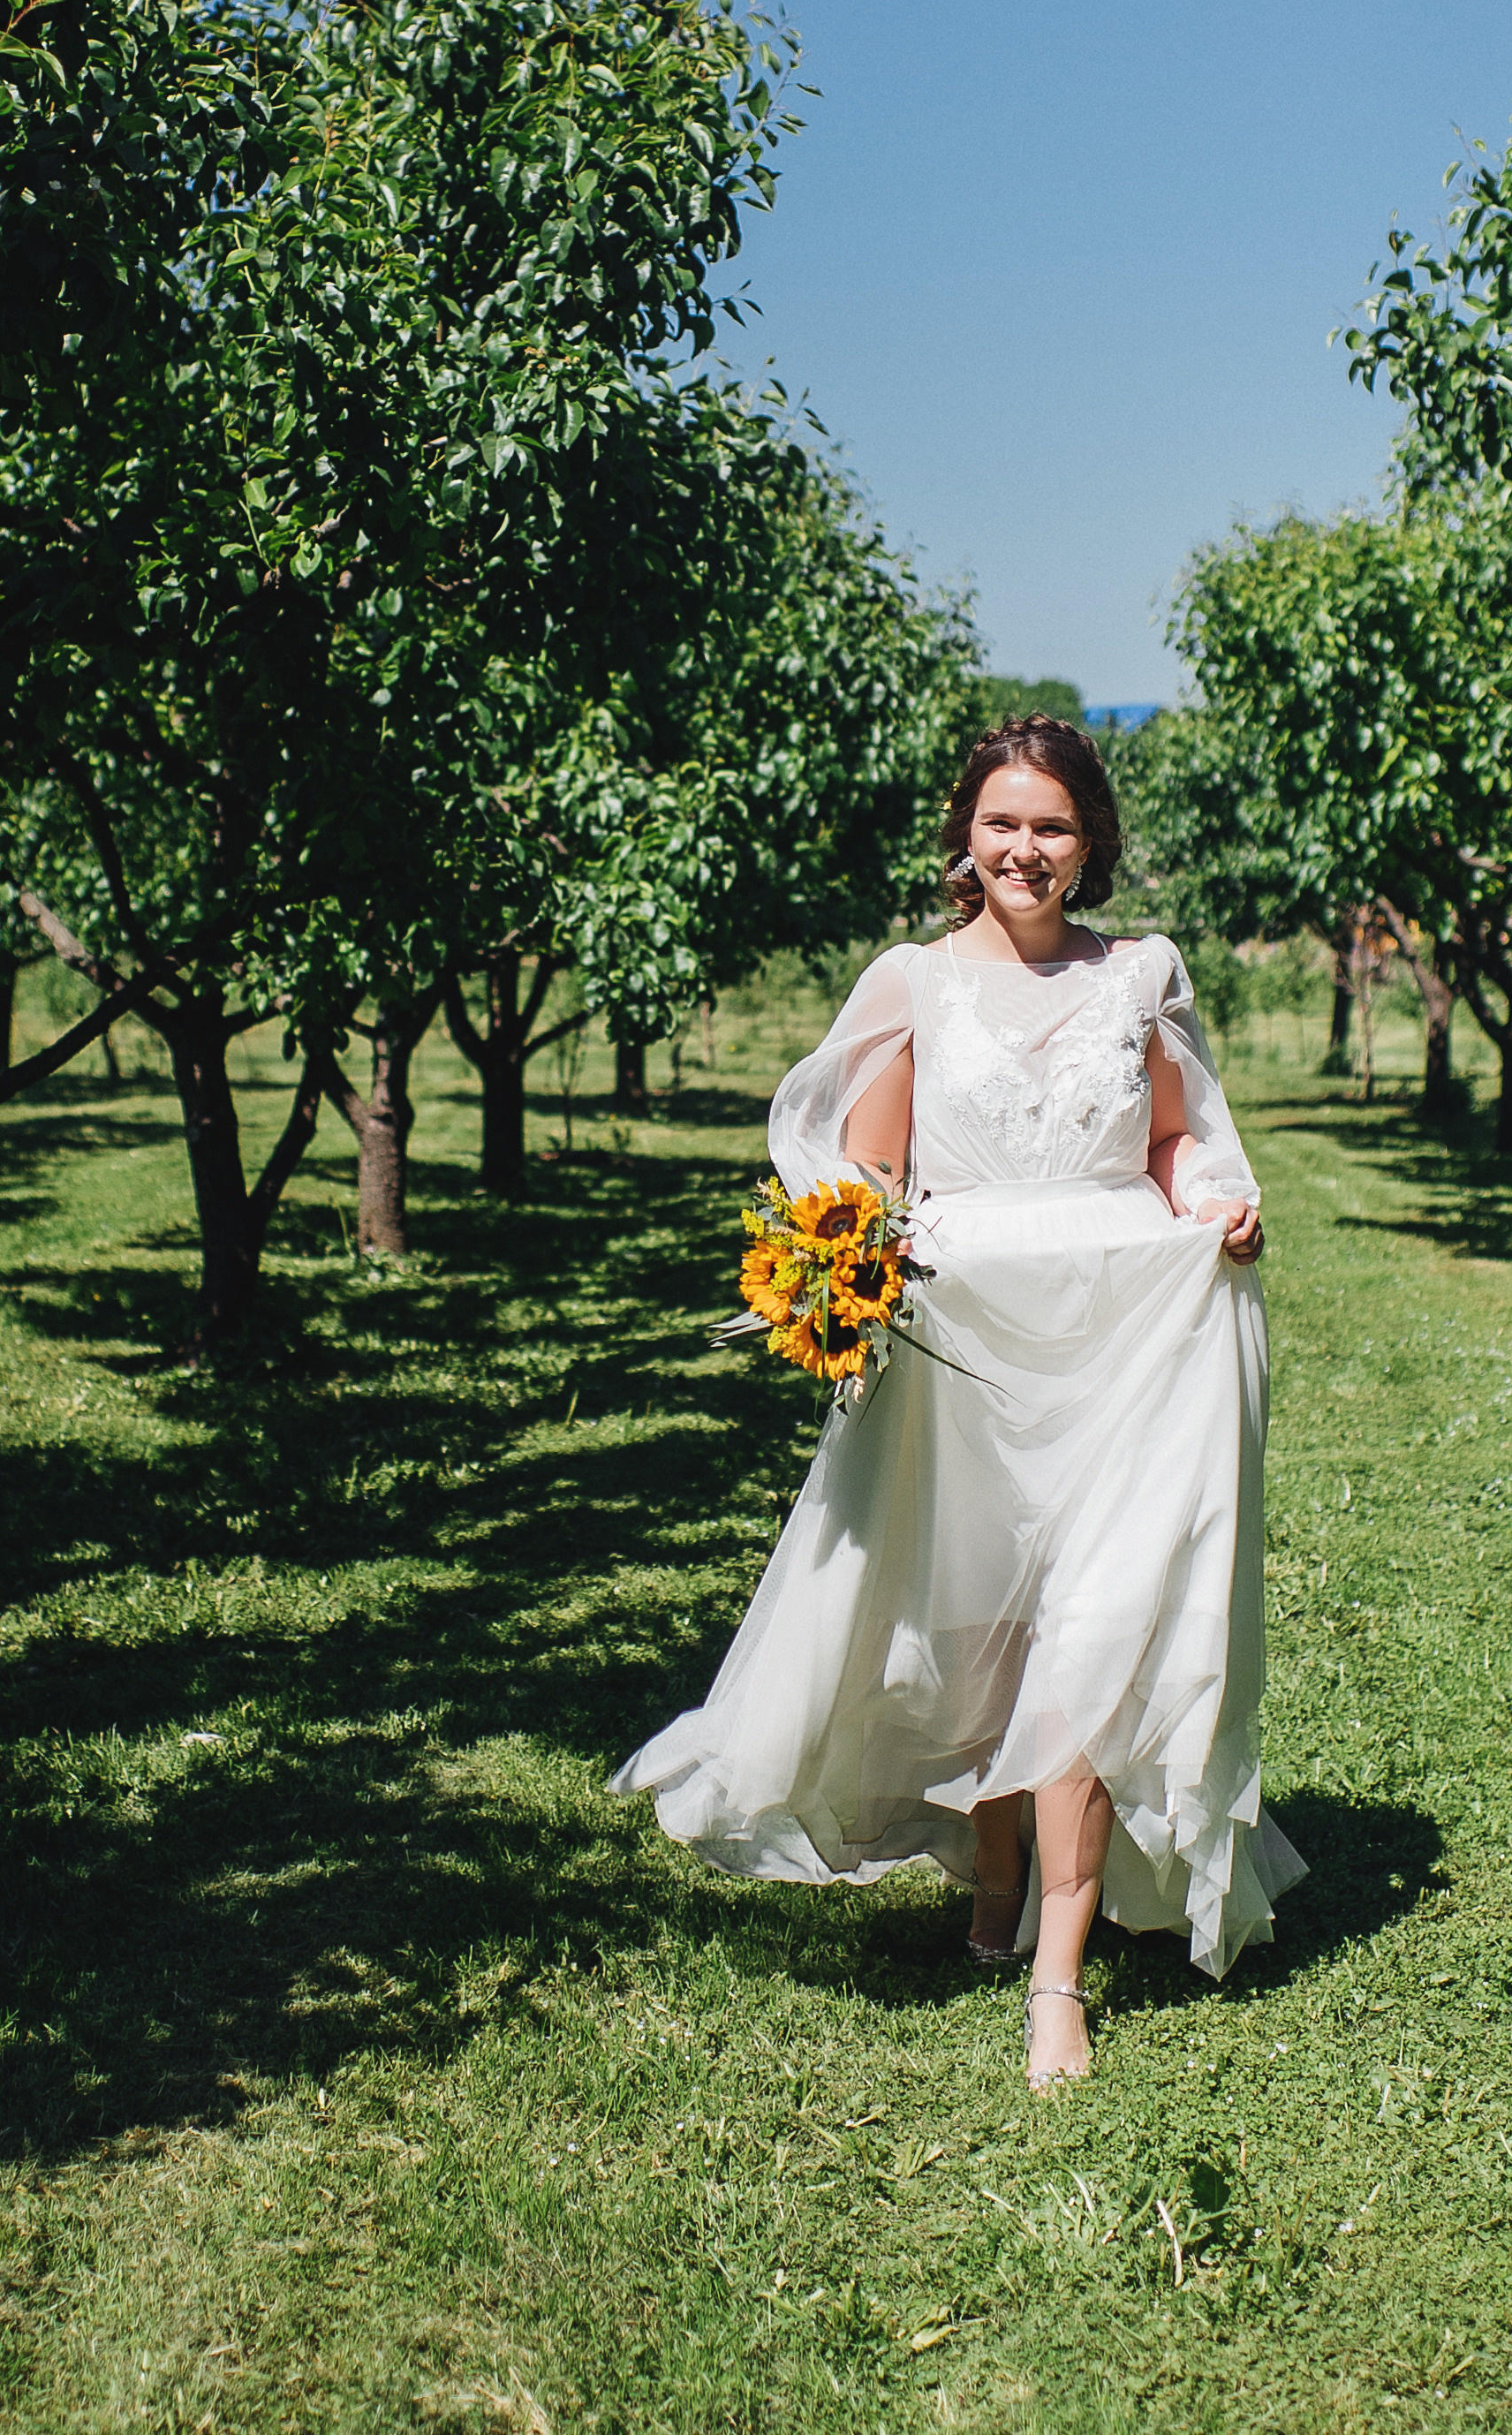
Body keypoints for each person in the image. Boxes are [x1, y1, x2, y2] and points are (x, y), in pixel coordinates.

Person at [613, 714, 1304, 2091]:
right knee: (986, 1630)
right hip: (970, 1332)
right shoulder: (914, 983)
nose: (1024, 849)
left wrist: (1215, 1208)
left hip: (1131, 1330)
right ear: (965, 836)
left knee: (1097, 1628)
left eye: (1051, 826)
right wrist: (847, 1265)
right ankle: (993, 1884)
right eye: (1002, 822)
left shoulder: (1141, 974)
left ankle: (1058, 1975)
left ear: (1089, 842)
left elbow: (1175, 1142)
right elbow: (867, 1170)